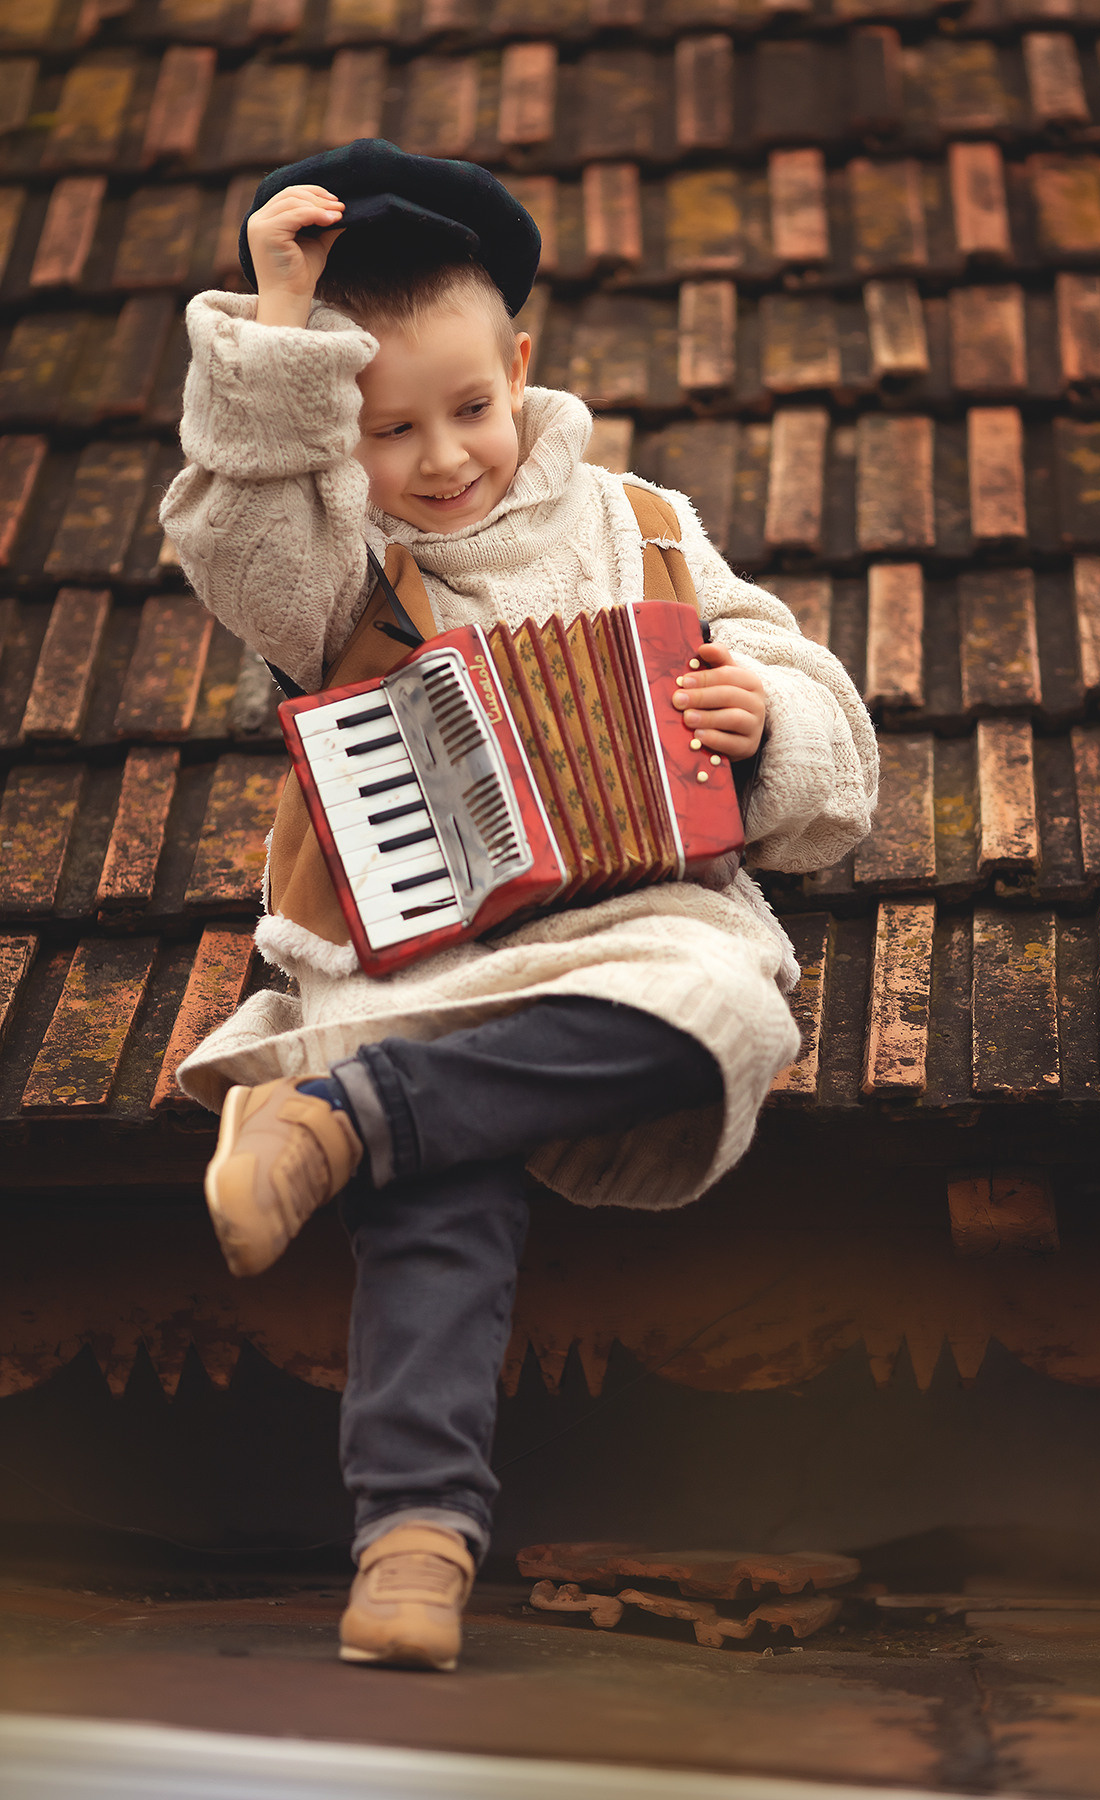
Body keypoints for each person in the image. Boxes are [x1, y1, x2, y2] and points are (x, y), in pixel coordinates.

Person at [160, 139, 877, 1675]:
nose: (439, 460)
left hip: (637, 933)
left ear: (524, 371)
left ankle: (344, 1119)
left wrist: (766, 722)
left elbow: (820, 723)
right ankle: (413, 1542)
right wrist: (279, 328)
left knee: (726, 1008)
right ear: (328, 429)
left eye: (469, 409)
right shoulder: (334, 568)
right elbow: (234, 544)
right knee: (442, 1207)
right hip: (431, 950)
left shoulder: (646, 525)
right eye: (386, 429)